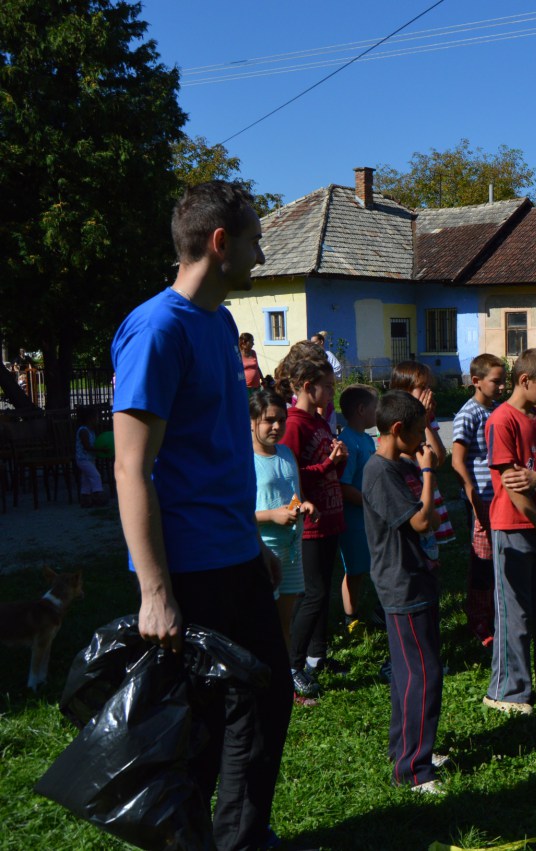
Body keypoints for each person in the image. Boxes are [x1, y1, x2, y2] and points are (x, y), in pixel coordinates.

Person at [111, 180, 291, 850]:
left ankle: (241, 838)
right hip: (189, 569)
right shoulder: (157, 330)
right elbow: (131, 467)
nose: (261, 254)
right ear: (220, 243)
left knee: (266, 699)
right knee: (201, 730)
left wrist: (251, 541)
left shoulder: (216, 323)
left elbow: (217, 450)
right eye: (254, 240)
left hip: (235, 554)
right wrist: (155, 592)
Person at [362, 389, 448, 794]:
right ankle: (414, 768)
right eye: (418, 432)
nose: (423, 441)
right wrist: (427, 473)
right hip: (402, 583)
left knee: (409, 674)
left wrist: (424, 465)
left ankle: (407, 749)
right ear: (397, 429)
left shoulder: (399, 463)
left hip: (418, 577)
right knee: (423, 675)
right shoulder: (380, 471)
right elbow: (421, 522)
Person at [483, 349, 536, 714]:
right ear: (525, 380)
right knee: (515, 616)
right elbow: (511, 485)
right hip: (514, 528)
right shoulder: (501, 420)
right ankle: (507, 692)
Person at [278, 342, 348, 700]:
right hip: (310, 523)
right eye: (329, 386)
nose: (332, 392)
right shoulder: (293, 424)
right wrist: (326, 464)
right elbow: (290, 478)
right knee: (313, 594)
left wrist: (339, 461)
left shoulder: (319, 420)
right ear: (308, 387)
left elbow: (328, 471)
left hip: (331, 517)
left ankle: (316, 657)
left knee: (323, 592)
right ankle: (291, 667)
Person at [250, 390, 314, 650]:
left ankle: (286, 674)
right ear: (251, 422)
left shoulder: (286, 453)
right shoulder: (245, 459)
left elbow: (294, 495)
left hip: (292, 549)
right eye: (269, 420)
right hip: (265, 549)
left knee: (284, 624)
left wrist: (303, 505)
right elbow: (238, 513)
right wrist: (271, 516)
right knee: (263, 626)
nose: (277, 426)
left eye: (281, 420)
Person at [451, 353, 507, 648]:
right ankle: (478, 621)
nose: (502, 387)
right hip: (481, 500)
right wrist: (473, 497)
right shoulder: (468, 413)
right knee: (482, 563)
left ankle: (497, 614)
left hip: (500, 498)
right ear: (476, 381)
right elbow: (457, 461)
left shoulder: (497, 410)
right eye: (496, 381)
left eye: (504, 381)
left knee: (500, 559)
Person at [389, 361, 455, 548]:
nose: (428, 392)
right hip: (409, 491)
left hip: (427, 485)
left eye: (429, 387)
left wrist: (425, 421)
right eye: (422, 387)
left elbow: (439, 458)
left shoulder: (427, 417)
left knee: (430, 550)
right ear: (404, 390)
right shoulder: (392, 418)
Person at [337, 384, 379, 633]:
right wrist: (371, 502)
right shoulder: (348, 442)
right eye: (375, 407)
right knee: (354, 570)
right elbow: (344, 486)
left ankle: (378, 611)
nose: (378, 412)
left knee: (372, 565)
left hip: (368, 517)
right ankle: (350, 618)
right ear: (362, 410)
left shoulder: (366, 439)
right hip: (354, 520)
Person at [74, 408, 108, 507]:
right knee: (95, 476)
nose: (97, 420)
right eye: (96, 418)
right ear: (90, 419)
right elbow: (87, 447)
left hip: (89, 459)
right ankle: (97, 495)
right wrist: (100, 450)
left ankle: (85, 498)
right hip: (83, 459)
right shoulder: (83, 431)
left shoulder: (90, 431)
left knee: (86, 479)